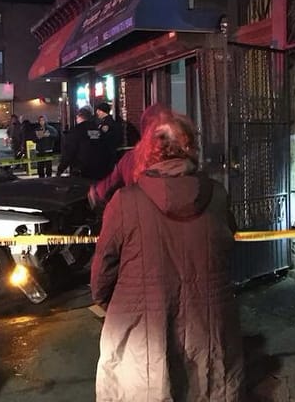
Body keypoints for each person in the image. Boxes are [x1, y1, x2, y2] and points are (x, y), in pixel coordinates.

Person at [91, 114, 244, 401]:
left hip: (140, 324)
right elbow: (227, 247)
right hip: (206, 319)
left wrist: (108, 301)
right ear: (190, 149)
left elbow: (103, 269)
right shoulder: (217, 196)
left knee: (144, 386)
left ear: (148, 152)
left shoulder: (125, 201)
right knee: (206, 384)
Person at [87, 102, 172, 209]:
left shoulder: (131, 158)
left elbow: (108, 186)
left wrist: (96, 192)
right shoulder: (181, 156)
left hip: (140, 214)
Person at [56, 106, 112, 180]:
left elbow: (69, 151)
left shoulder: (77, 131)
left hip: (82, 171)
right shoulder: (97, 129)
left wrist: (60, 169)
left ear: (79, 116)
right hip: (99, 169)